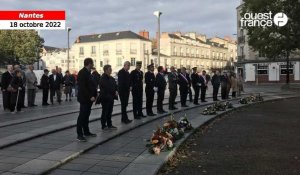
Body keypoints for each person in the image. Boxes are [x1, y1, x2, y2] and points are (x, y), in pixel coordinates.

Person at [76, 58, 97, 142]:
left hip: (89, 99)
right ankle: (79, 134)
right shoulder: (82, 73)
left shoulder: (88, 73)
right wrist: (90, 96)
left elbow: (91, 85)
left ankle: (86, 131)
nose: (93, 65)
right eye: (92, 63)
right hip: (84, 98)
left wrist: (95, 95)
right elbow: (83, 87)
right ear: (89, 64)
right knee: (82, 116)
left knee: (86, 116)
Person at [99, 65, 118, 131]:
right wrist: (113, 91)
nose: (111, 70)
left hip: (111, 97)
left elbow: (115, 85)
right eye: (110, 69)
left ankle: (109, 124)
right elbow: (107, 87)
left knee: (110, 111)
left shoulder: (111, 78)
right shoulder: (103, 78)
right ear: (106, 70)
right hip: (105, 98)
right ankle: (103, 125)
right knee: (105, 112)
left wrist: (116, 90)